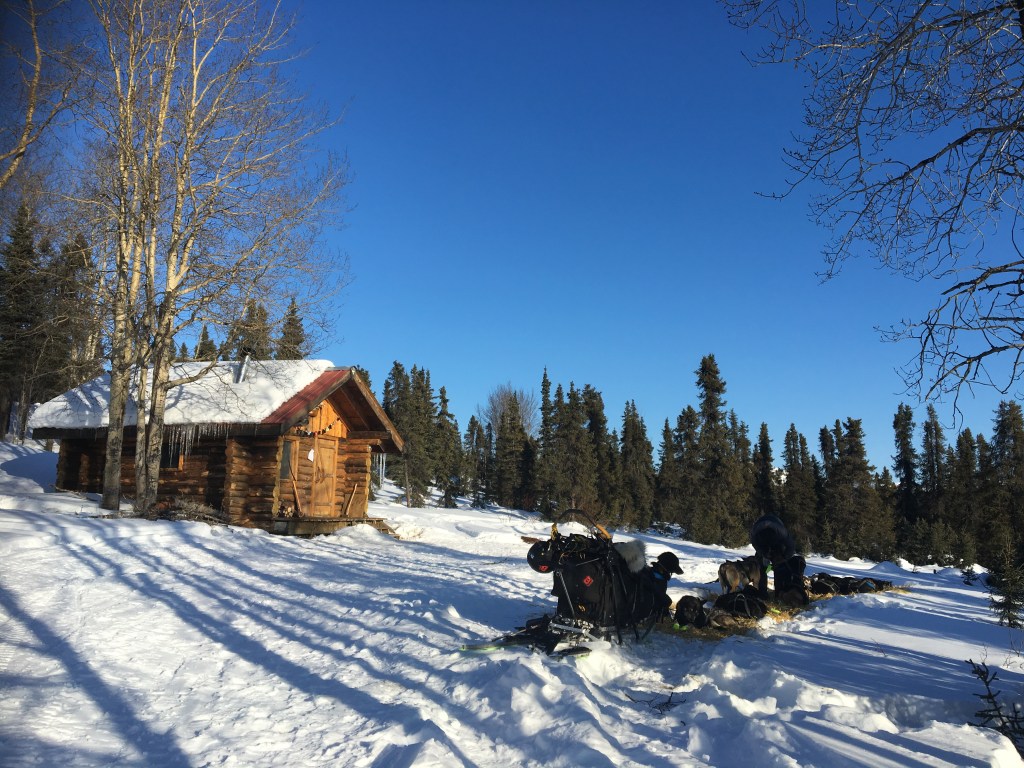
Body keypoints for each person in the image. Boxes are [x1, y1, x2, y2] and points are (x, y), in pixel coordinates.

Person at [749, 514, 796, 599]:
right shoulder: (755, 534)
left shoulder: (782, 533)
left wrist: (784, 557)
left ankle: (779, 593)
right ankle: (762, 594)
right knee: (761, 569)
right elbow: (755, 545)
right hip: (762, 545)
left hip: (777, 544)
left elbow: (791, 547)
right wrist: (763, 553)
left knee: (779, 568)